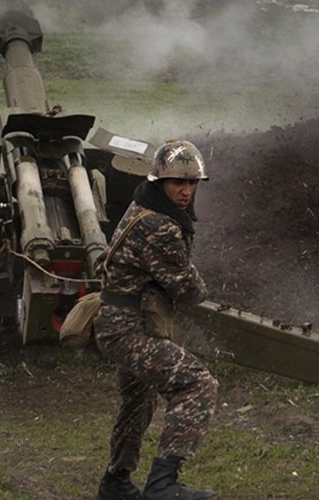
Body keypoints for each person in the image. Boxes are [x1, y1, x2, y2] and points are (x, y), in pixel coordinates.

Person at [93, 139, 219, 500]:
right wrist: (200, 288)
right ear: (159, 182)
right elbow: (187, 288)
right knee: (198, 384)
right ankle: (163, 483)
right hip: (129, 331)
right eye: (178, 182)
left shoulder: (141, 207)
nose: (186, 191)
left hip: (124, 325)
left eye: (193, 183)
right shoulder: (160, 227)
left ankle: (115, 482)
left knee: (138, 400)